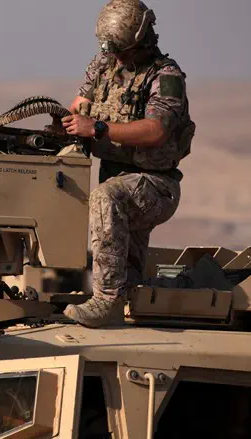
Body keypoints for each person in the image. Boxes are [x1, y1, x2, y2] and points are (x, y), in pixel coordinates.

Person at [60, 0, 196, 328]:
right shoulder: (103, 65)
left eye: (123, 51)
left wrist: (99, 128)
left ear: (144, 40)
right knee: (129, 270)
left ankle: (106, 300)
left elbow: (156, 130)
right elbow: (78, 107)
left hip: (156, 185)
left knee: (107, 199)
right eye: (113, 51)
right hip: (115, 176)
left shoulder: (166, 76)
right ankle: (125, 301)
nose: (118, 58)